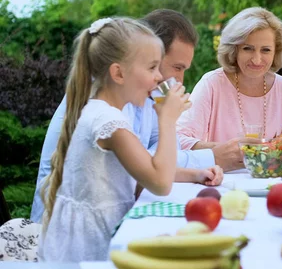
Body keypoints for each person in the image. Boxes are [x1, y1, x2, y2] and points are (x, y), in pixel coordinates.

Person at [38, 18, 222, 262]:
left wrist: (195, 174)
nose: (159, 78)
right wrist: (167, 119)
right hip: (87, 253)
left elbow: (140, 173)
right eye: (151, 68)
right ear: (118, 73)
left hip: (94, 238)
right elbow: (160, 183)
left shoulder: (103, 112)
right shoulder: (109, 123)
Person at [177, 7, 282, 148]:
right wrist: (224, 150)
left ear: (276, 52)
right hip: (221, 170)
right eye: (248, 48)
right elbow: (178, 139)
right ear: (234, 49)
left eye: (266, 50)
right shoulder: (212, 84)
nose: (257, 60)